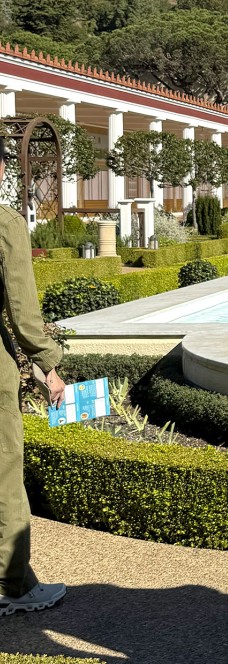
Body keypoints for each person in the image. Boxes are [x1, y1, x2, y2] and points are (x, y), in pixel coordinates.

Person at [0, 140, 68, 617]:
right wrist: (48, 361)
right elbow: (23, 316)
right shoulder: (5, 224)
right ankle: (14, 585)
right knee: (4, 477)